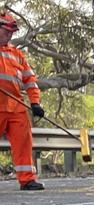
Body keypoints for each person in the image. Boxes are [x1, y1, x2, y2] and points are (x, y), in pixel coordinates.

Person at [0, 13, 43, 190]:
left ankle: (27, 179)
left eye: (11, 32)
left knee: (23, 142)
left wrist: (35, 103)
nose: (10, 35)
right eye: (6, 31)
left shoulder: (16, 54)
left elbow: (30, 80)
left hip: (16, 105)